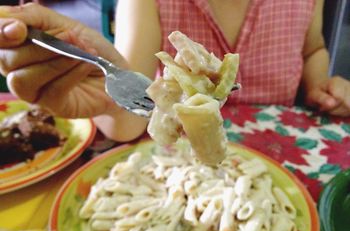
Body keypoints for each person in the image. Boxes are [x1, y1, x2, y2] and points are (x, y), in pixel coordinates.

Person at [0, 0, 349, 143]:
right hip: (175, 164)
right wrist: (103, 95)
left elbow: (313, 48)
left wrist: (321, 86)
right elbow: (128, 119)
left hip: (288, 153)